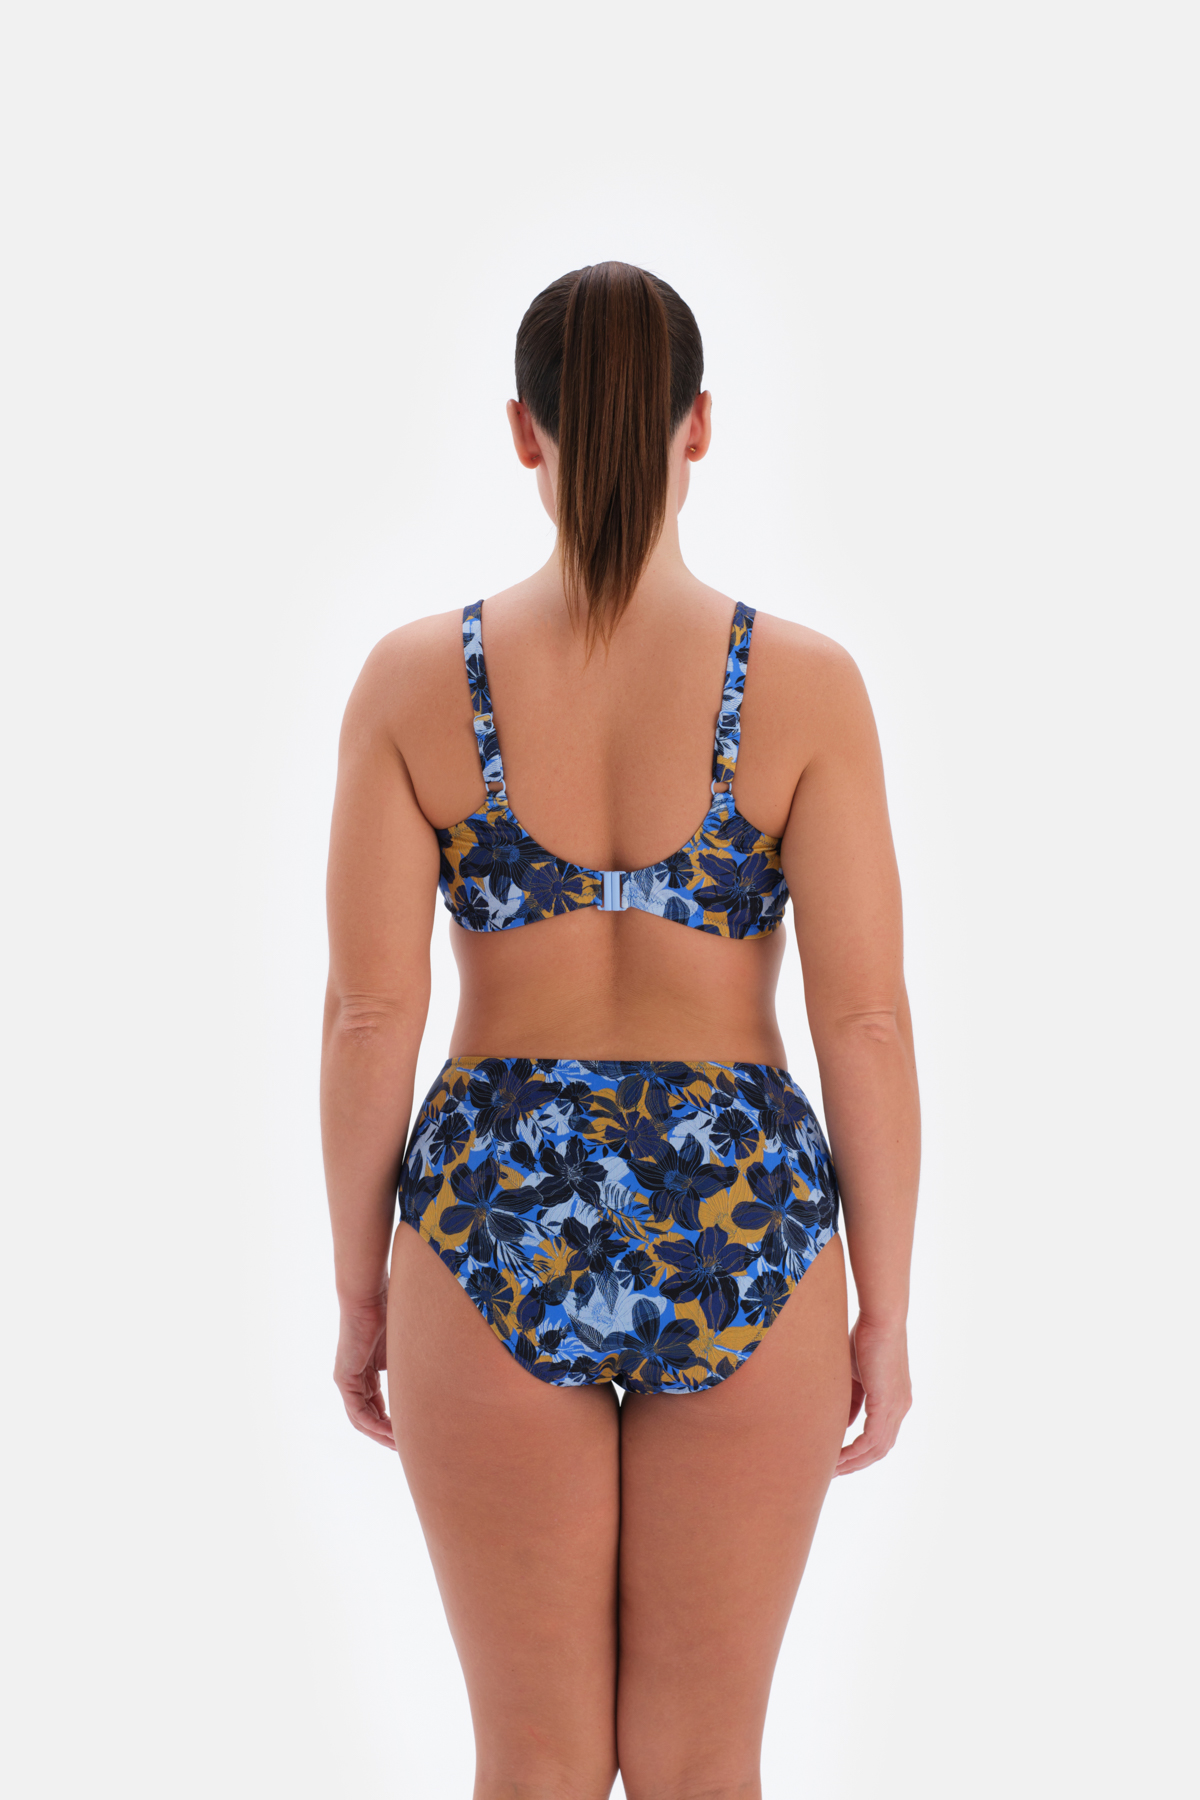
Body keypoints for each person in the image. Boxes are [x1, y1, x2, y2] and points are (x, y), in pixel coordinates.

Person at [321, 261, 919, 1800]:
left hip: (491, 1205)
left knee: (532, 1763)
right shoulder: (804, 687)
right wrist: (885, 1310)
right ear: (696, 424)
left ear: (525, 432)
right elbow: (861, 1020)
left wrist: (364, 1294)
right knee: (703, 1766)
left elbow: (372, 1015)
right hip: (747, 1211)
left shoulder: (414, 682)